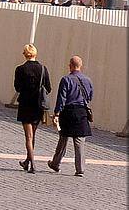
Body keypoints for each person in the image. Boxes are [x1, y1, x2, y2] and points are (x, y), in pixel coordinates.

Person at [48, 56, 93, 177]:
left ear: (70, 65)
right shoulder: (88, 80)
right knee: (79, 141)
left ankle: (55, 163)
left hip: (68, 112)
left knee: (63, 139)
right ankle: (80, 169)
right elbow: (89, 96)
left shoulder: (66, 79)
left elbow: (61, 98)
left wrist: (57, 113)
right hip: (82, 112)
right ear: (81, 66)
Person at [14, 44, 51, 174]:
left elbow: (17, 88)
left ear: (25, 54)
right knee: (33, 134)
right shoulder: (42, 69)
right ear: (35, 54)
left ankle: (32, 164)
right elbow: (49, 88)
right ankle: (27, 161)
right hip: (38, 106)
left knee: (28, 137)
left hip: (25, 105)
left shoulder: (20, 69)